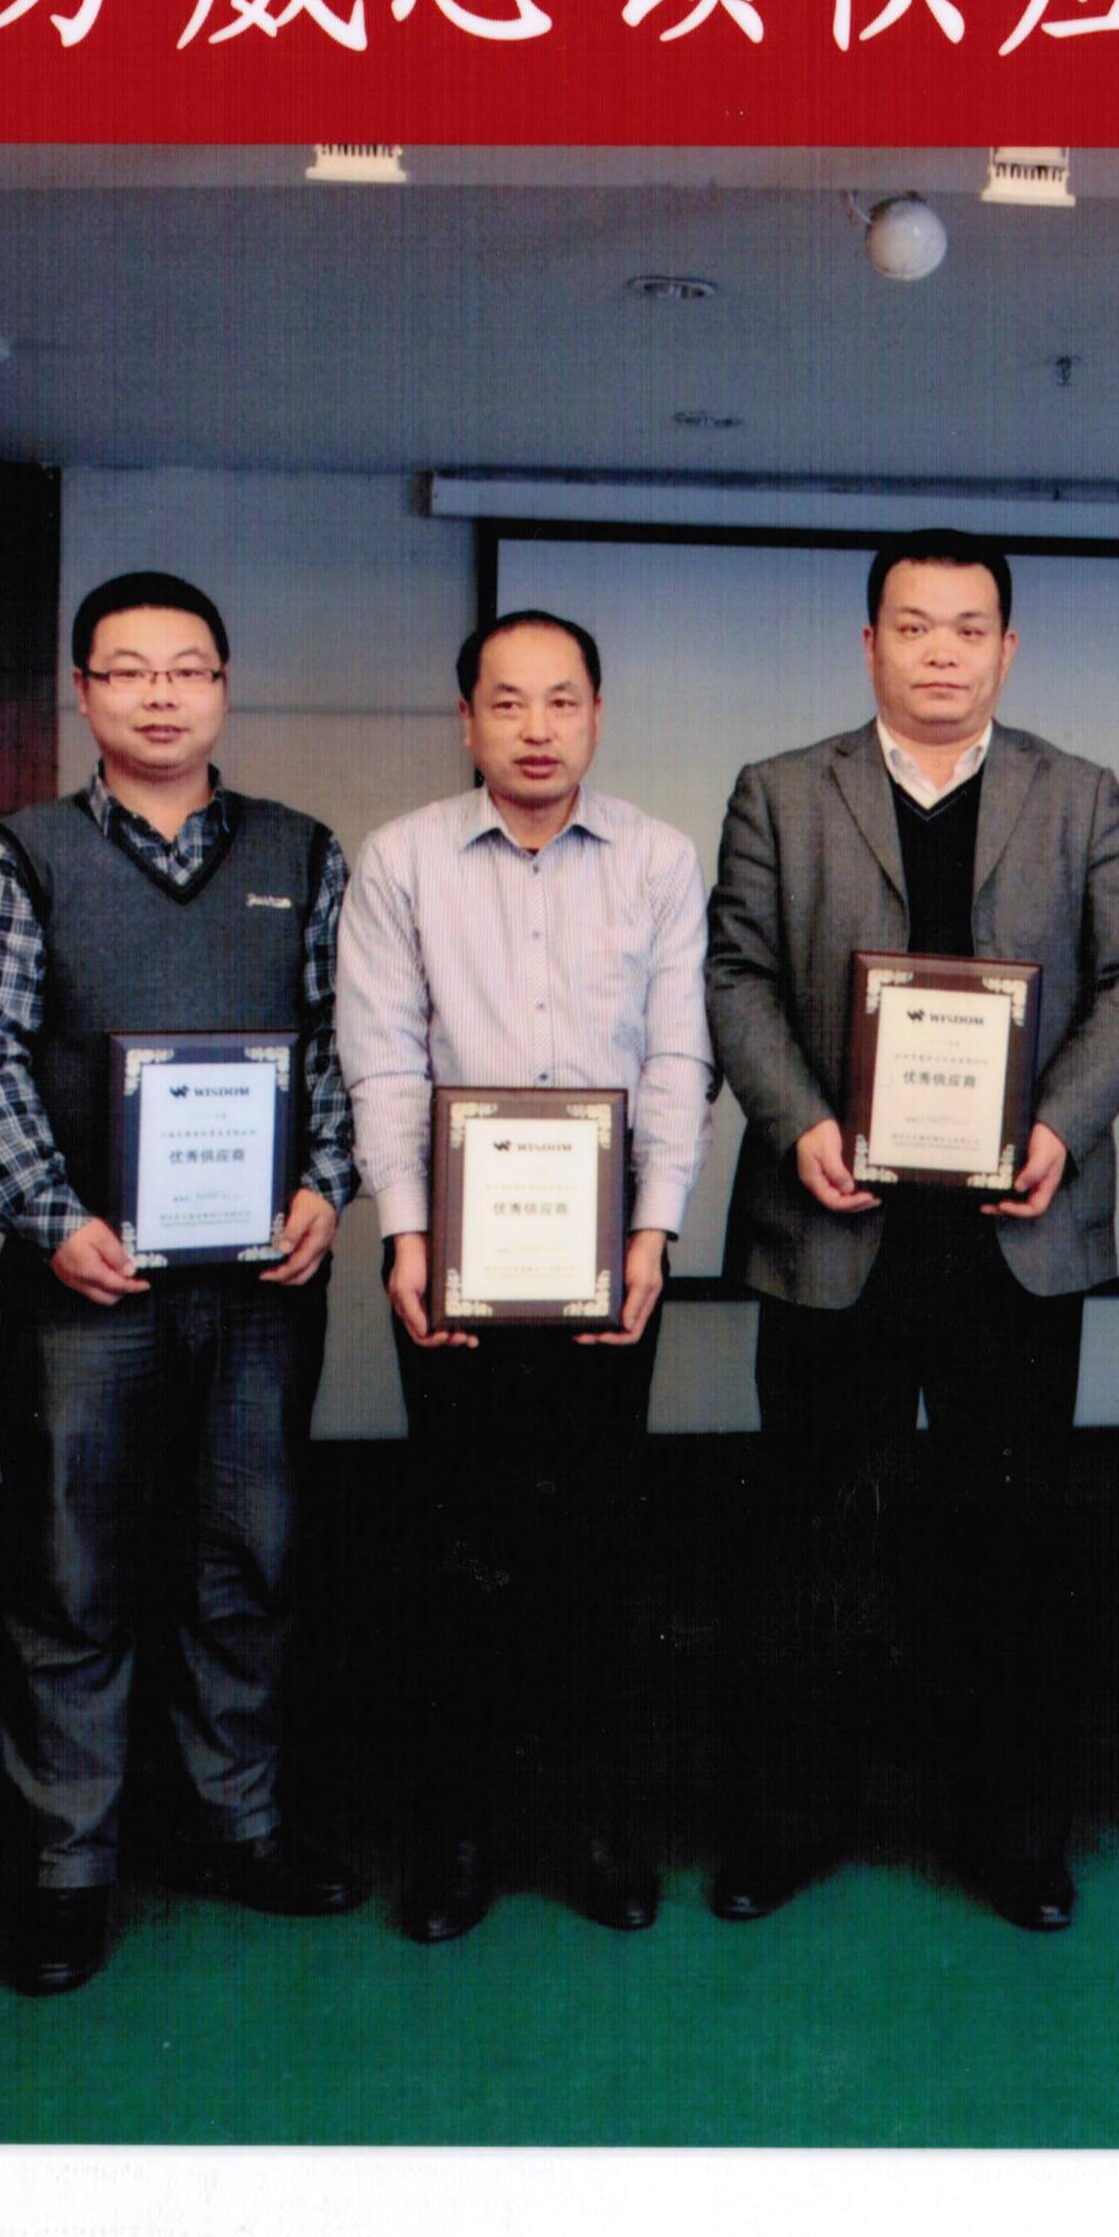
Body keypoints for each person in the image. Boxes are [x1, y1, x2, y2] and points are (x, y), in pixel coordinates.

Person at [702, 529, 1119, 1931]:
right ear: (870, 644)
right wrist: (799, 1122)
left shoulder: (1079, 793)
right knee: (812, 1541)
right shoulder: (781, 791)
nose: (941, 652)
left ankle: (1014, 1835)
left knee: (1012, 1548)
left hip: (1014, 1232)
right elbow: (734, 978)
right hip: (831, 1224)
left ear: (1007, 649)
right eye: (913, 626)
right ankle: (792, 1821)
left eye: (969, 628)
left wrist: (1059, 1128)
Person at [0, 569, 358, 1997]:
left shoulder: (302, 851)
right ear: (86, 693)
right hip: (88, 1281)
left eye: (188, 668)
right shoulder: (23, 854)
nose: (160, 694)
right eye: (127, 670)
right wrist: (50, 1217)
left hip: (258, 1284)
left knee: (247, 1559)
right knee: (72, 1574)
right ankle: (68, 1864)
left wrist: (327, 1182)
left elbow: (347, 1037)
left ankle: (237, 1824)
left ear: (224, 687)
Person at [335, 609, 716, 1943]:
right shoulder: (399, 860)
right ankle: (455, 1838)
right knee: (457, 1556)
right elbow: (383, 1057)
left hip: (609, 1265)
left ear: (597, 715)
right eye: (507, 702)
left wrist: (653, 1234)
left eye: (562, 701)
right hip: (454, 1264)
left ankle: (600, 1829)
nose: (536, 728)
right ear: (467, 719)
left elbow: (678, 1056)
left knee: (597, 1555)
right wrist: (406, 1235)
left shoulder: (660, 859)